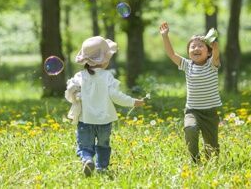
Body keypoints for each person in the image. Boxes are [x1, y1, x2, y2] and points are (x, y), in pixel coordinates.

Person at [65, 36, 145, 176]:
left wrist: (76, 95)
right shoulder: (107, 77)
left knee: (85, 146)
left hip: (85, 120)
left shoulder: (80, 76)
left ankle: (87, 159)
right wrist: (133, 101)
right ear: (104, 60)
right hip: (104, 121)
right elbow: (116, 96)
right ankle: (102, 168)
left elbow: (71, 92)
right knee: (103, 146)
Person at [159, 22, 222, 163]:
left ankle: (211, 163)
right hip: (192, 110)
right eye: (192, 46)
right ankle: (195, 159)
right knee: (190, 128)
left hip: (210, 113)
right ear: (188, 52)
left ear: (209, 52)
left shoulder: (212, 64)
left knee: (212, 151)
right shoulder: (187, 65)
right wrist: (165, 37)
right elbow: (171, 54)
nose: (196, 48)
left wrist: (215, 46)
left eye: (200, 46)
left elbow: (217, 55)